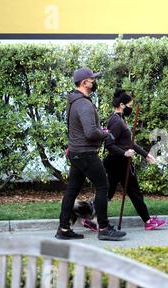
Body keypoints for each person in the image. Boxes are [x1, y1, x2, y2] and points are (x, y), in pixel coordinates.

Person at [56, 67, 126, 241]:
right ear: (83, 82)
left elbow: (81, 130)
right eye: (91, 79)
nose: (93, 81)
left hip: (76, 152)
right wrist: (106, 133)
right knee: (103, 186)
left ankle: (63, 229)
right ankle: (103, 228)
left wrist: (99, 131)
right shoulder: (83, 104)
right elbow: (90, 133)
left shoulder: (74, 101)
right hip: (85, 153)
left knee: (72, 190)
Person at [104, 88, 166, 230]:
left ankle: (88, 214)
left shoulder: (120, 119)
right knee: (129, 192)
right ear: (122, 105)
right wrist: (124, 154)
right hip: (118, 163)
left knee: (109, 192)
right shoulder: (116, 121)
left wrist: (145, 154)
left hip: (119, 162)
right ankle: (148, 221)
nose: (131, 109)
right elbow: (109, 144)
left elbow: (129, 142)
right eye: (130, 106)